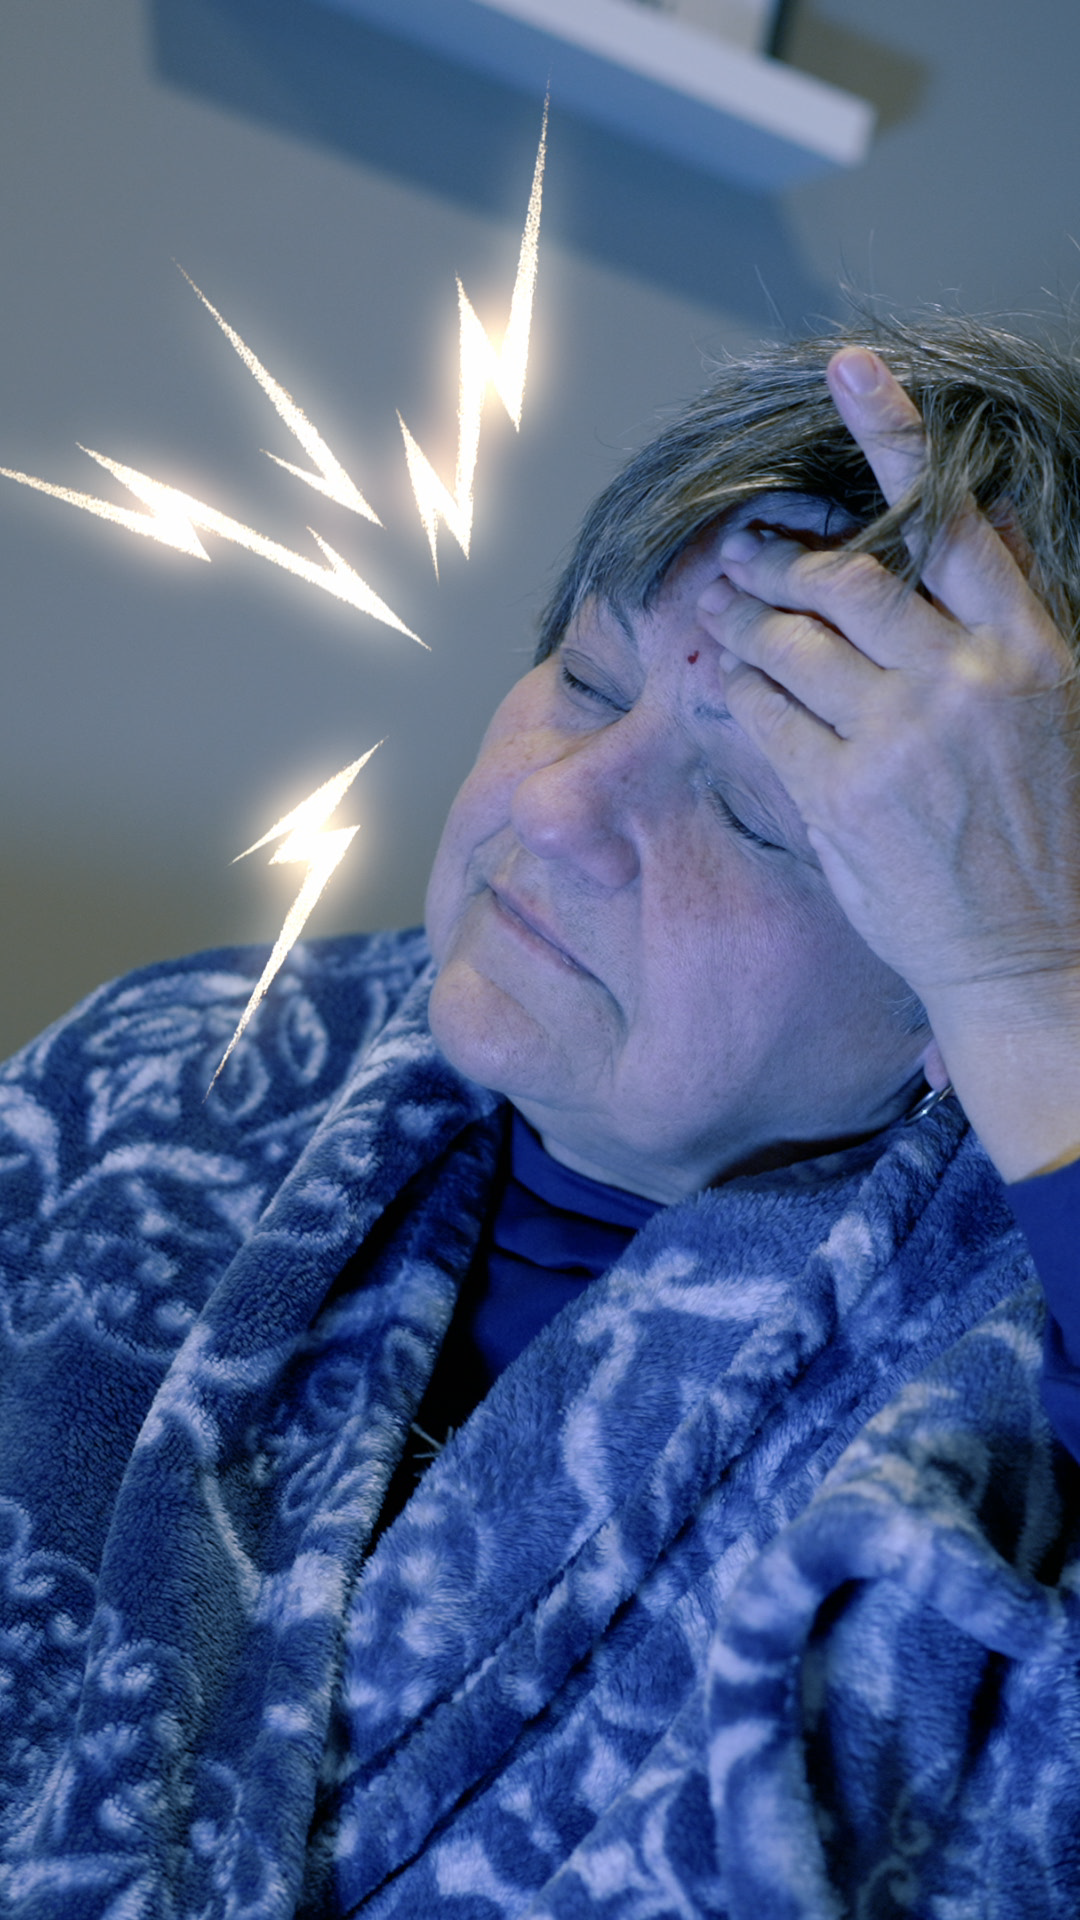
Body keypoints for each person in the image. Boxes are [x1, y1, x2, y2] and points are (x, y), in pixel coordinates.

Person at [2, 315, 1079, 1918]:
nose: (558, 809)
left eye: (751, 812)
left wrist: (1036, 985)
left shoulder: (1016, 1388)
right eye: (584, 681)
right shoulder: (167, 1070)